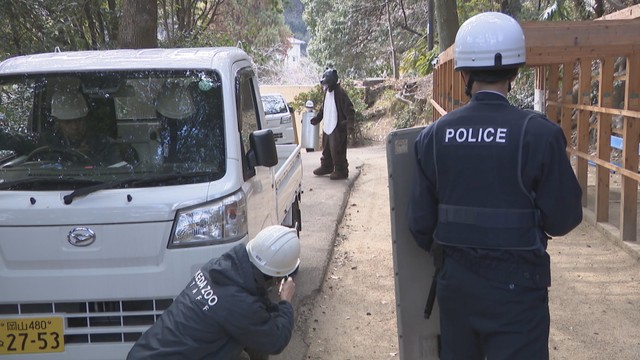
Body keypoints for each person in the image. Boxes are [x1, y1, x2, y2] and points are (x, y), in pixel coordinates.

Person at [408, 12, 583, 360]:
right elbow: (564, 219)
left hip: (455, 285)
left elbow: (419, 225)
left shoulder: (433, 137)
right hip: (518, 291)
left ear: (465, 74)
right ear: (515, 71)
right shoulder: (539, 134)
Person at [127, 225, 301, 360]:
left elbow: (252, 313)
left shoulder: (219, 268)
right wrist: (285, 302)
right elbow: (275, 340)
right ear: (277, 277)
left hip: (144, 352)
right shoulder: (240, 305)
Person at [38, 89, 123, 165]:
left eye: (79, 120)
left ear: (86, 119)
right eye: (68, 122)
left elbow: (115, 174)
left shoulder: (104, 144)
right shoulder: (48, 144)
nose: (75, 127)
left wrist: (89, 157)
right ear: (58, 122)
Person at [310, 68, 355, 180]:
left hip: (337, 127)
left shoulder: (340, 92)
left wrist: (349, 124)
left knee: (337, 149)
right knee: (326, 148)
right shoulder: (327, 92)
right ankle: (327, 166)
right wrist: (317, 119)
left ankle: (341, 170)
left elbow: (349, 109)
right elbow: (323, 108)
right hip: (328, 125)